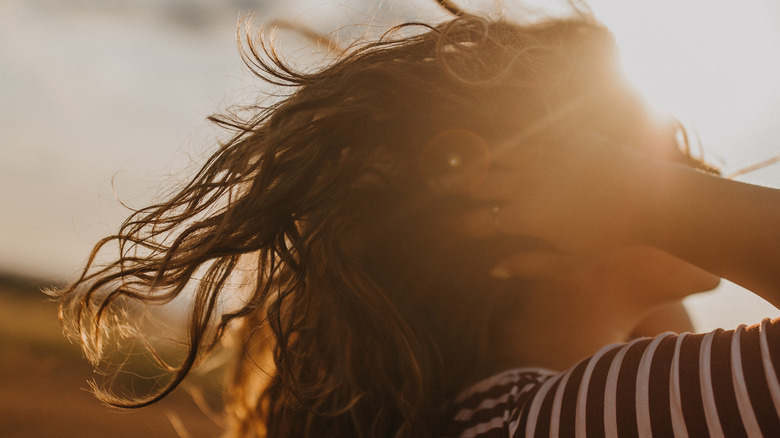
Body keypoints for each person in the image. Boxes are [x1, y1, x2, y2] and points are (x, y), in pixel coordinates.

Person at [54, 0, 780, 436]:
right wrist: (650, 203)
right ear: (526, 204)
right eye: (660, 147)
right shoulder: (566, 420)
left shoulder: (502, 416)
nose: (702, 169)